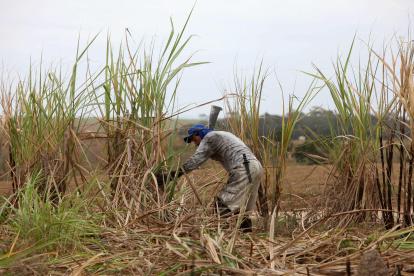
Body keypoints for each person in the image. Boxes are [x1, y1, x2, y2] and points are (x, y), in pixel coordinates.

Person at [163, 124, 264, 232]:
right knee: (242, 210)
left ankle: (220, 235)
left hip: (244, 167)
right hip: (255, 167)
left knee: (222, 204)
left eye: (194, 139)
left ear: (199, 134)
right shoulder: (222, 135)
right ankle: (246, 239)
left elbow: (196, 160)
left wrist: (174, 174)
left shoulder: (209, 137)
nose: (195, 144)